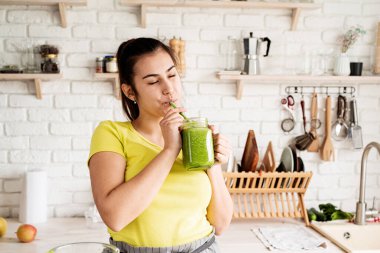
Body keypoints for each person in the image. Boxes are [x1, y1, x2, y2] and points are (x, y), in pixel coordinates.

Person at [88, 37, 233, 253]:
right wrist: (170, 150)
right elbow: (115, 218)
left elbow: (220, 224)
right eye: (153, 81)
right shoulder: (112, 133)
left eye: (172, 75)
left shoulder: (195, 136)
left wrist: (213, 164)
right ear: (130, 92)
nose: (168, 88)